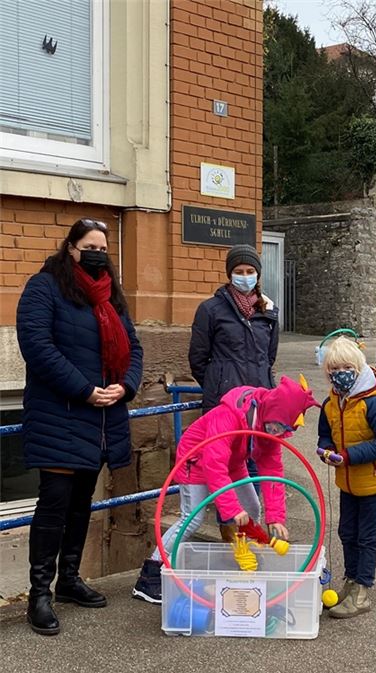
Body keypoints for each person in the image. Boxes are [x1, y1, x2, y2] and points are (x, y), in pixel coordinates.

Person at [16, 218, 145, 636]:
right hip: (61, 412)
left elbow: (135, 347)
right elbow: (37, 346)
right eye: (89, 245)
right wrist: (85, 389)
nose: (97, 253)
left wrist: (124, 388)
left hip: (103, 416)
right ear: (70, 247)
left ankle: (69, 579)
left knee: (81, 502)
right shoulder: (44, 287)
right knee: (54, 503)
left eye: (103, 247)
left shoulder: (111, 295)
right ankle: (40, 594)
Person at [132, 376, 318, 604]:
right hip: (196, 461)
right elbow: (213, 464)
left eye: (283, 430)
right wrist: (231, 509)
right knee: (192, 519)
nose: (276, 433)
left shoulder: (269, 429)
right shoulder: (228, 416)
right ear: (270, 411)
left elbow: (273, 474)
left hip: (233, 463)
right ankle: (150, 575)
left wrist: (276, 517)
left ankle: (243, 554)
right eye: (276, 427)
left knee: (252, 507)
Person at [188, 244, 279, 541]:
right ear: (229, 274)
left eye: (250, 271)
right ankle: (230, 535)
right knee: (225, 470)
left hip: (259, 407)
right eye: (238, 272)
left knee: (255, 467)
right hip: (224, 407)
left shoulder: (268, 311)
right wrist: (220, 386)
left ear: (258, 274)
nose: (244, 276)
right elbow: (198, 358)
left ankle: (252, 535)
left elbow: (270, 355)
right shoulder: (211, 310)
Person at [316, 337, 376, 619]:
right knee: (346, 533)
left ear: (358, 367)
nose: (340, 373)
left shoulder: (373, 403)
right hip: (346, 481)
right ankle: (350, 581)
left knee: (366, 537)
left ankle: (362, 590)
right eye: (334, 368)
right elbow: (325, 433)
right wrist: (326, 450)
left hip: (372, 482)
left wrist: (349, 456)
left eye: (347, 367)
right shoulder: (331, 402)